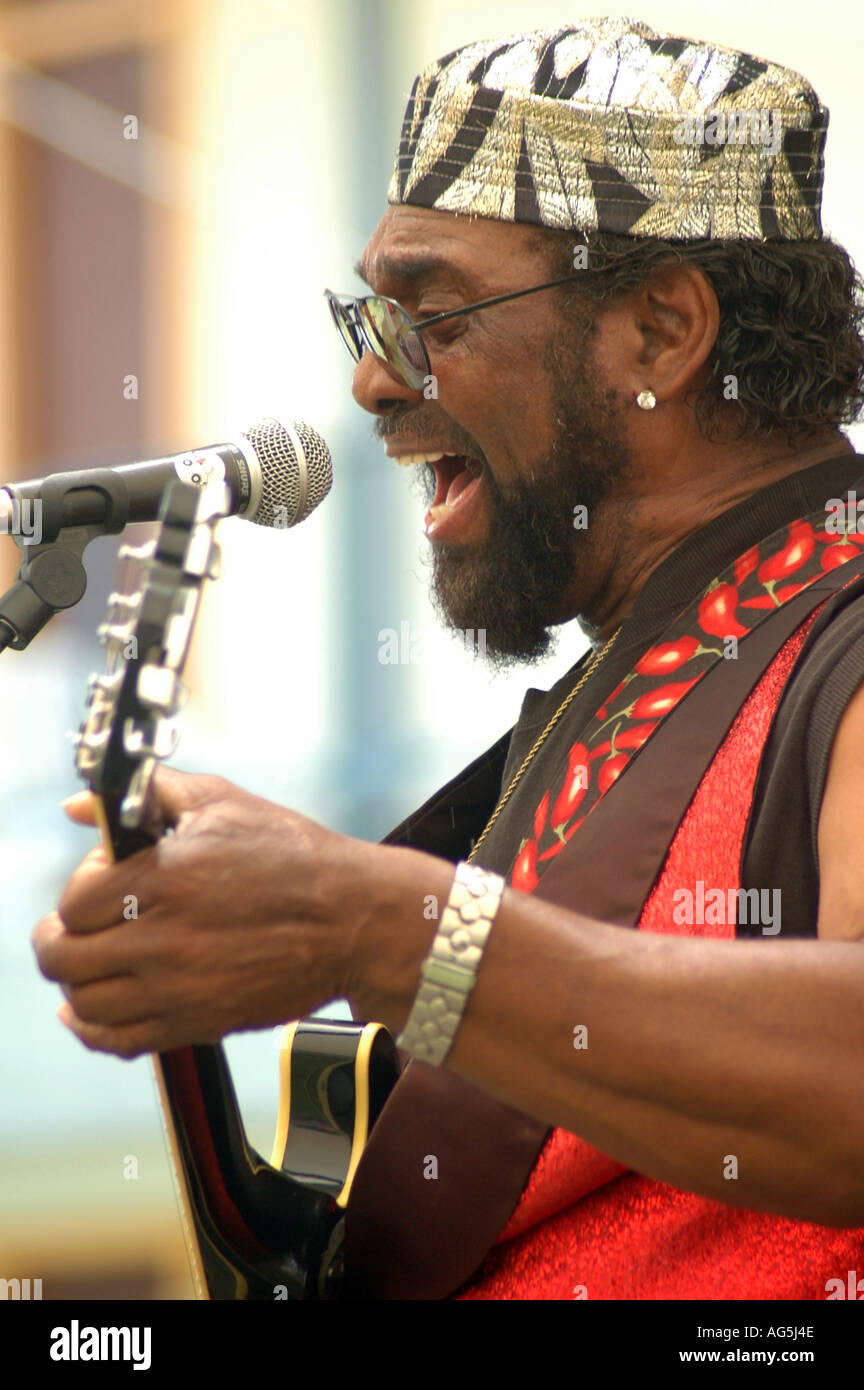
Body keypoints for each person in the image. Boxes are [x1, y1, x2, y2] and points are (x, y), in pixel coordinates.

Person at [33, 19, 864, 1299]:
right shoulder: (629, 691)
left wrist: (371, 924)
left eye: (433, 314)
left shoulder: (837, 634)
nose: (371, 380)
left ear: (661, 333)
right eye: (367, 317)